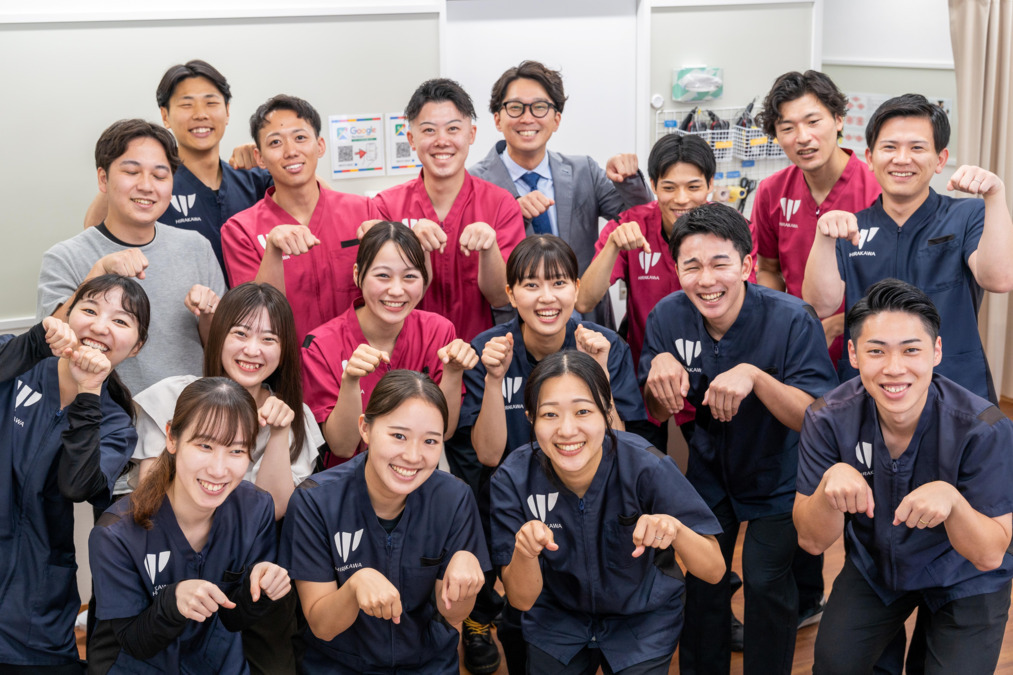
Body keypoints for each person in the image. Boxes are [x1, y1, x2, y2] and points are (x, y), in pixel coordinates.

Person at [640, 203, 838, 674]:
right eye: (692, 266)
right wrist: (655, 376)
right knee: (704, 581)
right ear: (676, 270)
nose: (707, 279)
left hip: (781, 472)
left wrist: (755, 377)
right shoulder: (668, 317)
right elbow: (650, 413)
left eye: (720, 263)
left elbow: (816, 417)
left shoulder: (792, 318)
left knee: (767, 581)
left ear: (747, 265)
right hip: (707, 471)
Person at [448, 234, 645, 674]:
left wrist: (602, 382)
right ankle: (495, 627)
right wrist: (496, 379)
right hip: (515, 501)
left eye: (557, 283)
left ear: (577, 288)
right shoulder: (490, 349)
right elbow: (487, 453)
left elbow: (620, 448)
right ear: (510, 293)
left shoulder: (602, 345)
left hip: (591, 500)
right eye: (531, 285)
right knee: (524, 619)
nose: (546, 297)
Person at [794, 278, 1013, 674]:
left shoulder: (983, 428)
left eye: (911, 350)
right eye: (876, 351)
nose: (894, 369)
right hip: (876, 566)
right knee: (834, 665)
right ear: (854, 354)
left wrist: (953, 502)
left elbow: (989, 554)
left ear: (936, 352)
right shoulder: (827, 418)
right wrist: (828, 486)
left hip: (965, 576)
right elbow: (811, 541)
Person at [490, 350, 725, 674]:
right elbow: (521, 600)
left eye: (583, 411)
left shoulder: (646, 466)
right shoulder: (513, 478)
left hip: (643, 621)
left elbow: (714, 569)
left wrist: (676, 530)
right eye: (550, 415)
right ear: (529, 416)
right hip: (557, 620)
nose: (567, 430)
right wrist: (525, 552)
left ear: (606, 410)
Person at [752, 69, 883, 641]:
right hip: (797, 358)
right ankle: (808, 594)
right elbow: (767, 269)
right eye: (787, 127)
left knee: (864, 470)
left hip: (863, 360)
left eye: (812, 121)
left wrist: (831, 324)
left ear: (837, 118)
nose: (802, 135)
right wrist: (786, 325)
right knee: (804, 473)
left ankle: (872, 585)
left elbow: (890, 282)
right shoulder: (772, 191)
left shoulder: (876, 183)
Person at [802, 93, 1013, 402]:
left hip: (956, 385)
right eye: (889, 147)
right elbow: (820, 305)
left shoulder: (968, 215)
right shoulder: (851, 228)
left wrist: (996, 195)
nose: (902, 159)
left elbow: (999, 279)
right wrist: (823, 238)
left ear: (940, 159)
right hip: (871, 386)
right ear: (870, 159)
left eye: (917, 147)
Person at [281, 370, 489, 674]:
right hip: (338, 665)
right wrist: (353, 588)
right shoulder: (315, 502)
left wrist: (465, 585)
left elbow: (453, 614)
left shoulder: (454, 498)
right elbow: (322, 626)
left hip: (428, 663)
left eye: (430, 441)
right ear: (365, 428)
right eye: (399, 436)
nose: (413, 456)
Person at [88, 377, 291, 674]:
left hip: (218, 664)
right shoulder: (115, 534)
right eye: (205, 445)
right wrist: (172, 602)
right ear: (171, 438)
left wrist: (259, 588)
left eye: (236, 451)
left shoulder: (255, 508)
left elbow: (236, 618)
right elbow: (135, 642)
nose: (218, 470)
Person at [0, 274, 148, 673]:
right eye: (89, 310)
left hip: (35, 600)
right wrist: (33, 342)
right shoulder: (17, 363)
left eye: (121, 321)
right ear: (66, 313)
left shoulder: (117, 426)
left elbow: (77, 484)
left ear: (135, 347)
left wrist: (89, 393)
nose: (100, 326)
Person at [37, 119, 226, 394]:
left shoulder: (197, 247)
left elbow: (218, 348)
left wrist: (209, 315)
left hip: (191, 420)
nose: (147, 186)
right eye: (132, 172)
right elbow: (51, 344)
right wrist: (98, 273)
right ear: (103, 179)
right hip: (104, 421)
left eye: (160, 176)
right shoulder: (65, 256)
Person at [470, 59, 653, 328]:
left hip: (585, 319)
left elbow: (640, 217)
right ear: (498, 119)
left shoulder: (584, 170)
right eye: (515, 107)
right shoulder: (474, 182)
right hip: (513, 325)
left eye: (540, 107)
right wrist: (512, 213)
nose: (527, 117)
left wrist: (628, 180)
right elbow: (469, 260)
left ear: (556, 120)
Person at [133, 282, 322, 519]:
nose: (252, 350)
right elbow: (151, 498)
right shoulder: (170, 397)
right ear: (219, 336)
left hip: (252, 552)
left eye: (268, 339)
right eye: (240, 334)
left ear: (284, 350)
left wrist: (278, 434)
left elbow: (271, 512)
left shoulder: (292, 415)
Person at [301, 221, 477, 468]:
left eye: (410, 277)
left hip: (414, 473)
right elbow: (341, 446)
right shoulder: (320, 346)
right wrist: (350, 381)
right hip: (346, 485)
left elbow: (444, 431)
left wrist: (454, 371)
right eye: (383, 275)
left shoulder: (438, 331)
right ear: (357, 274)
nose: (396, 290)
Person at [83, 60, 274, 274]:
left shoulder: (255, 178)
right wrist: (121, 172)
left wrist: (271, 157)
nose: (200, 114)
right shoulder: (155, 184)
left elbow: (315, 198)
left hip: (251, 305)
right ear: (165, 116)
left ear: (227, 111)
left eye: (211, 103)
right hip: (180, 304)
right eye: (186, 104)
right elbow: (94, 233)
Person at [372, 78, 526, 342]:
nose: (442, 141)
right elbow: (380, 295)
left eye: (453, 129)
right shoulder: (386, 206)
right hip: (408, 358)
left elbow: (503, 297)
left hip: (482, 355)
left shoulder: (501, 204)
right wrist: (411, 247)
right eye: (429, 130)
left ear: (471, 134)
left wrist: (489, 250)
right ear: (411, 138)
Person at [221, 94, 380, 343]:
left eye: (300, 138)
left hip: (361, 361)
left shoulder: (364, 212)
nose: (291, 151)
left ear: (320, 146)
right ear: (259, 157)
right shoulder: (240, 230)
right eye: (275, 143)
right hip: (286, 371)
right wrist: (272, 251)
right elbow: (252, 317)